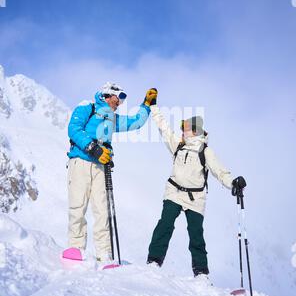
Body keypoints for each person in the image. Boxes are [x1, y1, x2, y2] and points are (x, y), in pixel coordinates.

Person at [147, 93, 246, 283]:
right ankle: (154, 261)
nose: (182, 131)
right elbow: (164, 127)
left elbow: (219, 171)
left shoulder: (205, 151)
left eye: (185, 128)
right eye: (182, 128)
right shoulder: (178, 145)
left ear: (195, 130)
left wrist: (233, 183)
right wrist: (153, 107)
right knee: (164, 226)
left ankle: (201, 272)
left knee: (196, 235)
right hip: (174, 192)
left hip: (196, 199)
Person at [65, 82, 157, 263]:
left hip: (101, 166)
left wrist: (146, 105)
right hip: (80, 162)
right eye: (120, 97)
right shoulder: (87, 107)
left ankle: (104, 253)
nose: (120, 103)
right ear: (109, 94)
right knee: (78, 205)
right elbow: (73, 130)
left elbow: (135, 122)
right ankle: (75, 248)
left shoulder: (112, 119)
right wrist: (93, 148)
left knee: (102, 210)